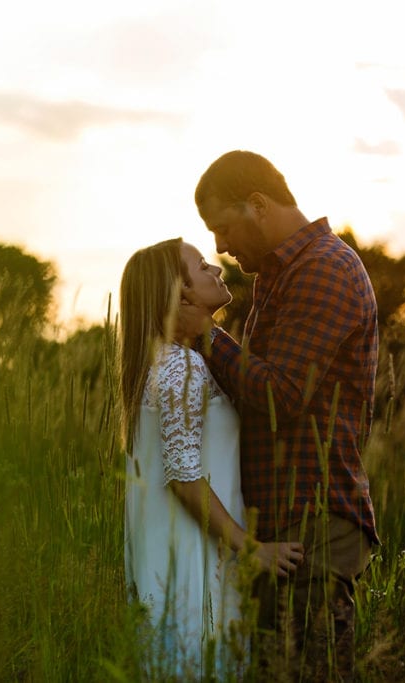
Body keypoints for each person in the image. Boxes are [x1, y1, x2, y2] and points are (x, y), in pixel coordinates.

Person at [184, 150, 379, 681]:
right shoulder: (277, 275)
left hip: (313, 522)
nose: (220, 246)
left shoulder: (323, 269)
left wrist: (205, 335)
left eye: (223, 228)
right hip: (283, 524)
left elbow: (279, 395)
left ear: (258, 204)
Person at [120, 238, 304, 679]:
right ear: (179, 291)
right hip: (191, 562)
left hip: (186, 554)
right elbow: (183, 477)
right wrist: (251, 548)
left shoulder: (174, 361)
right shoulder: (181, 366)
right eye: (203, 266)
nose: (217, 270)